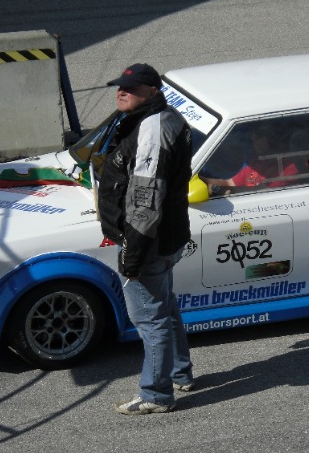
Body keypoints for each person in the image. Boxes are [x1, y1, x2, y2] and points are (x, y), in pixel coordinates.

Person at [97, 63, 194, 415]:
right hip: (168, 234)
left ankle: (156, 394)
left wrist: (132, 255)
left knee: (151, 320)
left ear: (152, 92)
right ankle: (180, 373)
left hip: (148, 240)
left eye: (131, 88)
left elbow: (144, 200)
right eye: (120, 86)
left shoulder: (152, 129)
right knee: (165, 307)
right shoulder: (165, 118)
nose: (122, 92)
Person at [201, 125, 298, 194]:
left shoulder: (289, 166)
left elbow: (261, 191)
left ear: (270, 139)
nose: (254, 141)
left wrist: (219, 190)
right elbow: (229, 183)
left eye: (259, 136)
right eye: (253, 138)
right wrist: (203, 180)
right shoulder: (257, 161)